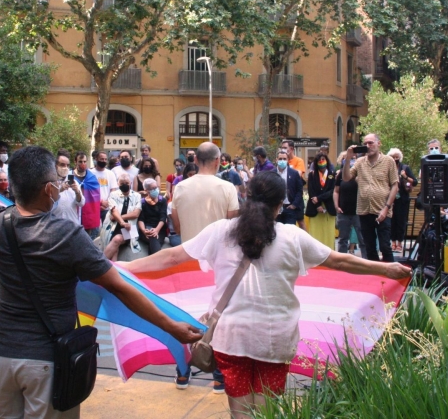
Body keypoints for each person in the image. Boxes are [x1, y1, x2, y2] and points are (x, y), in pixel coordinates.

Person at [0, 139, 202, 419]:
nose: (59, 186)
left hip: (1, 358)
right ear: (47, 189)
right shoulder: (65, 235)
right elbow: (119, 287)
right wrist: (171, 327)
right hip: (48, 362)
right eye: (56, 181)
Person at [124, 171, 411, 419]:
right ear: (280, 205)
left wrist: (123, 268)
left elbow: (171, 257)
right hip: (274, 340)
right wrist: (385, 269)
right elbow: (340, 260)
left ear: (246, 196)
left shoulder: (221, 232)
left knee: (239, 410)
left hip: (230, 338)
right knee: (267, 410)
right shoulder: (292, 237)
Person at [171, 141, 240, 392]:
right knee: (217, 315)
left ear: (196, 159)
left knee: (183, 315)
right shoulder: (227, 187)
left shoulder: (180, 188)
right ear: (218, 160)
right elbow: (233, 225)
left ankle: (182, 372)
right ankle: (219, 375)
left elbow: (176, 226)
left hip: (188, 258)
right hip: (219, 261)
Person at [342, 134, 399, 262]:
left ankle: (391, 276)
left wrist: (387, 207)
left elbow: (395, 185)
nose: (368, 146)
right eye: (366, 143)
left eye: (371, 143)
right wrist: (348, 158)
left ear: (379, 143)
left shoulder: (388, 161)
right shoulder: (360, 162)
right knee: (370, 247)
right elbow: (346, 178)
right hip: (364, 210)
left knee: (385, 246)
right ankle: (375, 277)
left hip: (382, 210)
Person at [100, 173, 142, 261]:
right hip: (111, 226)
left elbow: (135, 214)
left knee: (117, 239)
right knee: (114, 249)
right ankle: (112, 270)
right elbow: (114, 210)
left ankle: (100, 264)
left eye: (126, 183)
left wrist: (119, 218)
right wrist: (122, 222)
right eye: (122, 183)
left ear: (130, 183)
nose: (124, 185)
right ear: (118, 184)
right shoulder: (113, 195)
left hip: (130, 228)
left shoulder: (137, 196)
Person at [334, 153, 366, 258]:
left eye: (353, 159)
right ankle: (341, 261)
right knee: (343, 239)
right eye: (347, 159)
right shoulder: (341, 175)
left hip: (359, 212)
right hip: (343, 212)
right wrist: (336, 205)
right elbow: (336, 191)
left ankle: (366, 261)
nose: (351, 161)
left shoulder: (361, 173)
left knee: (363, 239)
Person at [387, 148, 417, 252]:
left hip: (402, 200)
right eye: (393, 157)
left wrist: (405, 177)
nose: (395, 159)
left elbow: (415, 182)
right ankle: (393, 243)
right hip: (390, 200)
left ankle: (399, 243)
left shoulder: (405, 168)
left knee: (401, 221)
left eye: (397, 157)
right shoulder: (387, 168)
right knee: (391, 222)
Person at [305, 153, 336, 249]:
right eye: (319, 160)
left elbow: (333, 190)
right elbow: (311, 190)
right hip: (315, 208)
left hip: (329, 207)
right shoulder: (312, 174)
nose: (321, 161)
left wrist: (319, 198)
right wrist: (318, 204)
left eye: (323, 159)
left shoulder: (332, 174)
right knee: (316, 232)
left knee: (328, 232)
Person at [52, 150, 85, 226]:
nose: (65, 168)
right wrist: (59, 190)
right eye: (62, 165)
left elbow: (81, 203)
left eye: (67, 165)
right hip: (55, 226)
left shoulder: (74, 182)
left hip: (72, 225)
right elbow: (46, 202)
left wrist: (77, 192)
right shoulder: (50, 183)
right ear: (55, 165)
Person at [73, 151, 101, 236]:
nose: (83, 164)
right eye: (80, 162)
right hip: (74, 212)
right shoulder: (70, 176)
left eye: (85, 161)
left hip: (88, 214)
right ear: (75, 162)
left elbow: (96, 197)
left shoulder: (92, 178)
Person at [138, 178, 168, 254]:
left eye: (156, 187)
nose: (156, 190)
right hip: (146, 229)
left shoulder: (163, 201)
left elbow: (163, 217)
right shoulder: (142, 202)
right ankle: (157, 260)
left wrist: (156, 230)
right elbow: (141, 219)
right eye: (153, 188)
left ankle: (154, 261)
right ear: (146, 190)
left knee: (153, 237)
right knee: (152, 235)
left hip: (160, 229)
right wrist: (144, 230)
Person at [274, 150, 304, 225]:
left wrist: (294, 205)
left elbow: (299, 190)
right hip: (276, 209)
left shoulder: (294, 173)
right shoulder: (272, 173)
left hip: (289, 208)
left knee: (290, 233)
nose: (282, 161)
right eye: (280, 159)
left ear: (288, 160)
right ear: (276, 160)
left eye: (284, 159)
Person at [90, 150, 119, 225]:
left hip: (107, 208)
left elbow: (113, 190)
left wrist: (107, 202)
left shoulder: (110, 173)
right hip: (93, 207)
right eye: (101, 159)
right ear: (96, 159)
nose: (104, 161)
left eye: (105, 159)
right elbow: (89, 191)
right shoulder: (90, 173)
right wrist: (100, 202)